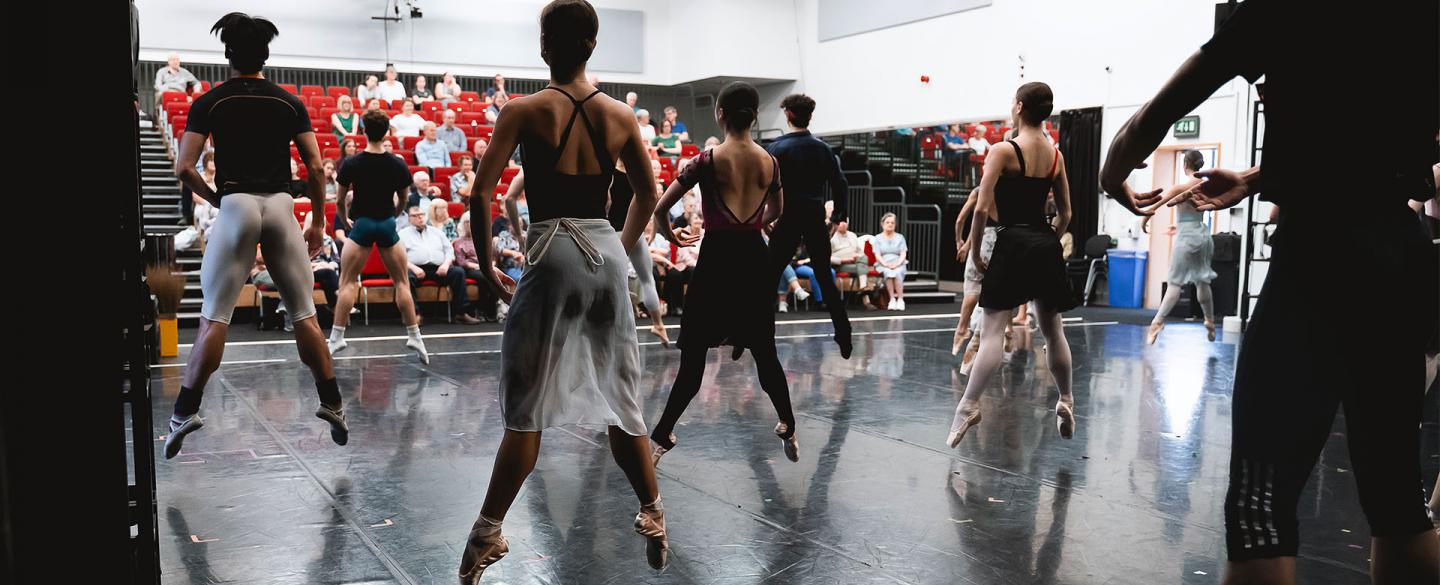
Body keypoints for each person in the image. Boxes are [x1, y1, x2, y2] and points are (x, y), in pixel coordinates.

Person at [1100, 2, 1439, 583]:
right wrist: (1260, 178)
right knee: (1399, 503)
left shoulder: (1284, 8)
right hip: (1395, 258)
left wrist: (1114, 168)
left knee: (1260, 513)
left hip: (1317, 257)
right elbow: (1372, 149)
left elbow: (1164, 107)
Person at [456, 2, 669, 580]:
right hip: (602, 253)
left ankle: (487, 533)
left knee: (526, 409)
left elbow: (481, 195)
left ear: (544, 46)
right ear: (593, 46)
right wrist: (621, 250)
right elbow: (648, 196)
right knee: (623, 400)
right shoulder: (621, 117)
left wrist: (483, 269)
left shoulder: (524, 111)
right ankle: (651, 512)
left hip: (551, 251)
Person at [163, 13, 347, 460]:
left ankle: (185, 410)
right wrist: (319, 222)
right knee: (305, 314)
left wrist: (216, 197)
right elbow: (316, 167)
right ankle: (333, 402)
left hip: (235, 204)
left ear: (228, 55)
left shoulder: (211, 101)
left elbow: (184, 167)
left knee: (214, 318)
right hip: (282, 207)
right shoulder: (288, 102)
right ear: (266, 55)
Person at [647, 80, 798, 466]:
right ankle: (787, 422)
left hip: (716, 259)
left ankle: (662, 433)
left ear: (720, 115)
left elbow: (661, 209)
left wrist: (673, 237)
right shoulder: (770, 161)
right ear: (754, 116)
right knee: (766, 352)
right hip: (752, 258)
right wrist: (753, 225)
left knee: (695, 358)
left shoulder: (707, 160)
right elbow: (778, 211)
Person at [948, 82, 1076, 452]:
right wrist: (1050, 240)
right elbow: (1065, 213)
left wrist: (973, 252)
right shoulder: (1056, 156)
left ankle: (968, 406)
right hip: (1044, 241)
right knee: (1053, 332)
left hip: (1012, 241)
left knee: (991, 334)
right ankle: (1066, 398)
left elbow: (983, 207)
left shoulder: (1003, 150)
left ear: (1018, 107)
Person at [326, 108, 430, 359]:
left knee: (348, 282)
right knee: (401, 282)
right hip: (386, 224)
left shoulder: (351, 162)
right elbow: (404, 199)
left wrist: (346, 222)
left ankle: (336, 338)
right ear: (386, 133)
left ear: (363, 131)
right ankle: (415, 337)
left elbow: (340, 201)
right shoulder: (397, 163)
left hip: (362, 223)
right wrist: (392, 217)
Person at [766, 93, 852, 357]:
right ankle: (843, 332)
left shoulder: (776, 148)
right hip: (814, 215)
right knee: (825, 276)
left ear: (789, 116)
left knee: (769, 277)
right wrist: (837, 217)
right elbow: (841, 184)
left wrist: (766, 218)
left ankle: (758, 334)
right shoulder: (822, 149)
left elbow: (765, 186)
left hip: (788, 215)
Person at [1142, 149, 1218, 344]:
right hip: (1202, 235)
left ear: (1185, 165)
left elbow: (1154, 207)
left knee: (1174, 284)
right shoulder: (1207, 186)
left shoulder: (1181, 188)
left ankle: (1157, 322)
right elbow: (1195, 215)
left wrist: (1143, 222)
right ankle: (1209, 320)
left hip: (1186, 238)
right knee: (1203, 281)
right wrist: (1179, 225)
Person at [610, 157, 670, 345]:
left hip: (614, 233)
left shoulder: (610, 172)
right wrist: (650, 231)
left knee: (613, 282)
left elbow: (606, 202)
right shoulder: (638, 172)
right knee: (647, 279)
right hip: (636, 232)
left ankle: (613, 327)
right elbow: (651, 202)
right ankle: (659, 324)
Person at [951, 184, 1004, 365]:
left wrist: (960, 241)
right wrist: (967, 246)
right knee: (998, 292)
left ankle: (962, 328)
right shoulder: (1009, 191)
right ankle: (999, 332)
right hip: (1004, 241)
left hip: (983, 241)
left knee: (973, 287)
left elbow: (961, 220)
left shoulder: (980, 191)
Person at [399, 205, 479, 324]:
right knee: (407, 277)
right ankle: (413, 315)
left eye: (421, 215)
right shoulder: (402, 234)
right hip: (416, 269)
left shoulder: (436, 232)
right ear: (409, 219)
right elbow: (399, 258)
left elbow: (449, 251)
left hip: (439, 268)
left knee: (458, 272)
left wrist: (446, 265)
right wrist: (414, 268)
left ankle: (461, 313)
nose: (419, 218)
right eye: (415, 216)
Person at [452, 212, 502, 322]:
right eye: (467, 222)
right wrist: (479, 266)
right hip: (470, 268)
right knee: (485, 277)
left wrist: (492, 263)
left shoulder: (484, 238)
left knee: (488, 277)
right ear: (462, 225)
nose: (469, 224)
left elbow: (493, 256)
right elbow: (461, 262)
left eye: (471, 222)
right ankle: (489, 309)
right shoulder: (459, 242)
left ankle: (485, 309)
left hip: (487, 267)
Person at [872, 213, 908, 309]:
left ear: (895, 225)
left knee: (897, 272)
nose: (890, 224)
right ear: (882, 224)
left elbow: (903, 254)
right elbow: (877, 255)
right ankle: (892, 299)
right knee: (889, 273)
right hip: (883, 263)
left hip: (898, 262)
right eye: (887, 222)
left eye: (892, 222)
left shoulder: (900, 237)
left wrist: (897, 263)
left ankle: (900, 299)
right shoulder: (878, 238)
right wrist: (886, 264)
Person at [490, 215, 523, 282]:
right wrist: (513, 253)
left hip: (525, 266)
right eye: (517, 223)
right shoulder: (504, 235)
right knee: (522, 279)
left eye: (521, 223)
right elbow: (500, 249)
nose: (519, 226)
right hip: (510, 266)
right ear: (509, 225)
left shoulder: (525, 235)